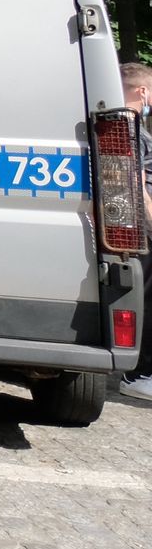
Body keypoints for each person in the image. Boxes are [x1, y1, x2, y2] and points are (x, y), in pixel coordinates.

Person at [121, 61, 152, 404]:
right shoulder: (131, 129)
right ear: (143, 92)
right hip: (143, 230)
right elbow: (136, 187)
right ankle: (139, 374)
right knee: (146, 301)